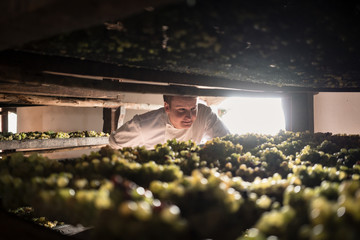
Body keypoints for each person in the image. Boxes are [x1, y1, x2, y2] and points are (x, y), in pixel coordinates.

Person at [109, 95, 230, 149]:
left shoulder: (204, 115)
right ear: (167, 107)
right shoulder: (143, 126)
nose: (189, 116)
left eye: (193, 109)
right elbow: (114, 142)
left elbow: (227, 141)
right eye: (182, 110)